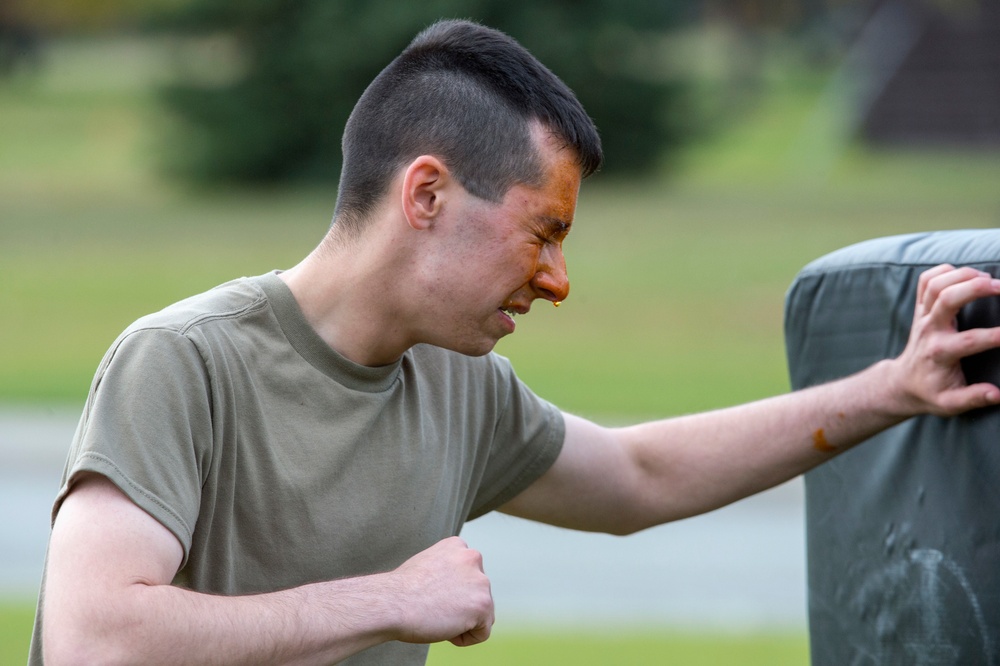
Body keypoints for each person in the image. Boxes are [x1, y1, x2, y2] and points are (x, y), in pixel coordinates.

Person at [30, 19, 1000, 666]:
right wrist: (389, 601)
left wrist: (892, 388)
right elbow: (95, 636)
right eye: (543, 233)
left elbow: (639, 477)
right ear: (425, 195)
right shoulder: (183, 362)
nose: (558, 281)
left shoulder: (457, 383)